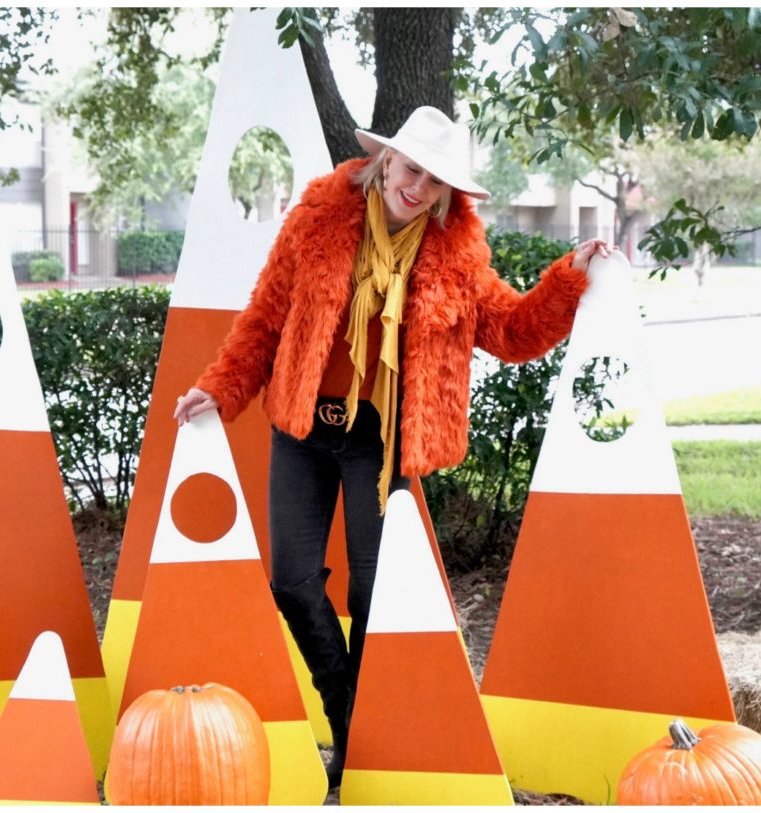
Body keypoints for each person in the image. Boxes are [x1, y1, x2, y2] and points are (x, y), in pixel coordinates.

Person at [173, 106, 614, 789]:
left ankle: (358, 751)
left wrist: (568, 278)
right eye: (413, 170)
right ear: (387, 160)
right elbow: (265, 317)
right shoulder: (317, 219)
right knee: (292, 581)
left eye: (436, 181)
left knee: (374, 592)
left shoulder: (457, 255)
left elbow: (512, 331)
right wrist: (220, 388)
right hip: (302, 427)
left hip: (379, 443)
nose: (420, 189)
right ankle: (349, 713)